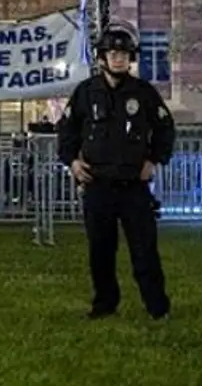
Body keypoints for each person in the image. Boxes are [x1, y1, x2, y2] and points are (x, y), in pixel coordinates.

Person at [56, 19, 175, 321]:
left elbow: (165, 128)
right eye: (113, 53)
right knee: (100, 251)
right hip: (97, 186)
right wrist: (72, 161)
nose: (119, 58)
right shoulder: (85, 92)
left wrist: (154, 160)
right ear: (102, 58)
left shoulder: (144, 92)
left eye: (124, 54)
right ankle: (104, 304)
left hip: (134, 186)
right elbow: (67, 131)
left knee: (145, 251)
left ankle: (157, 307)